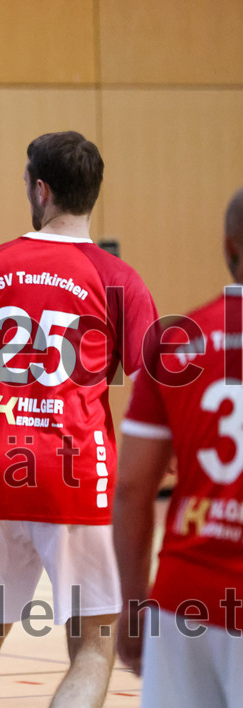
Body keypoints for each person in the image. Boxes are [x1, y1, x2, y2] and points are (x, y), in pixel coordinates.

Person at [0, 131, 159, 707]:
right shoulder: (118, 279)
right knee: (93, 646)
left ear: (40, 188)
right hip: (78, 476)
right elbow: (154, 391)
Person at [114, 187, 243, 707]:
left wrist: (132, 606)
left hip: (181, 597)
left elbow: (130, 489)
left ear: (228, 246)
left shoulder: (177, 344)